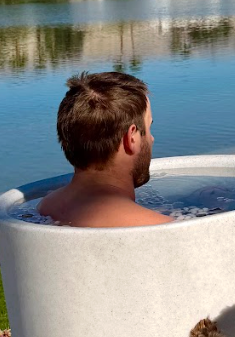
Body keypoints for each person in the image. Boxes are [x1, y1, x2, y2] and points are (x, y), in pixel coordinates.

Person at [38, 71, 172, 227]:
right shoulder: (158, 226)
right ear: (132, 138)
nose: (151, 139)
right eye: (149, 128)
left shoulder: (44, 208)